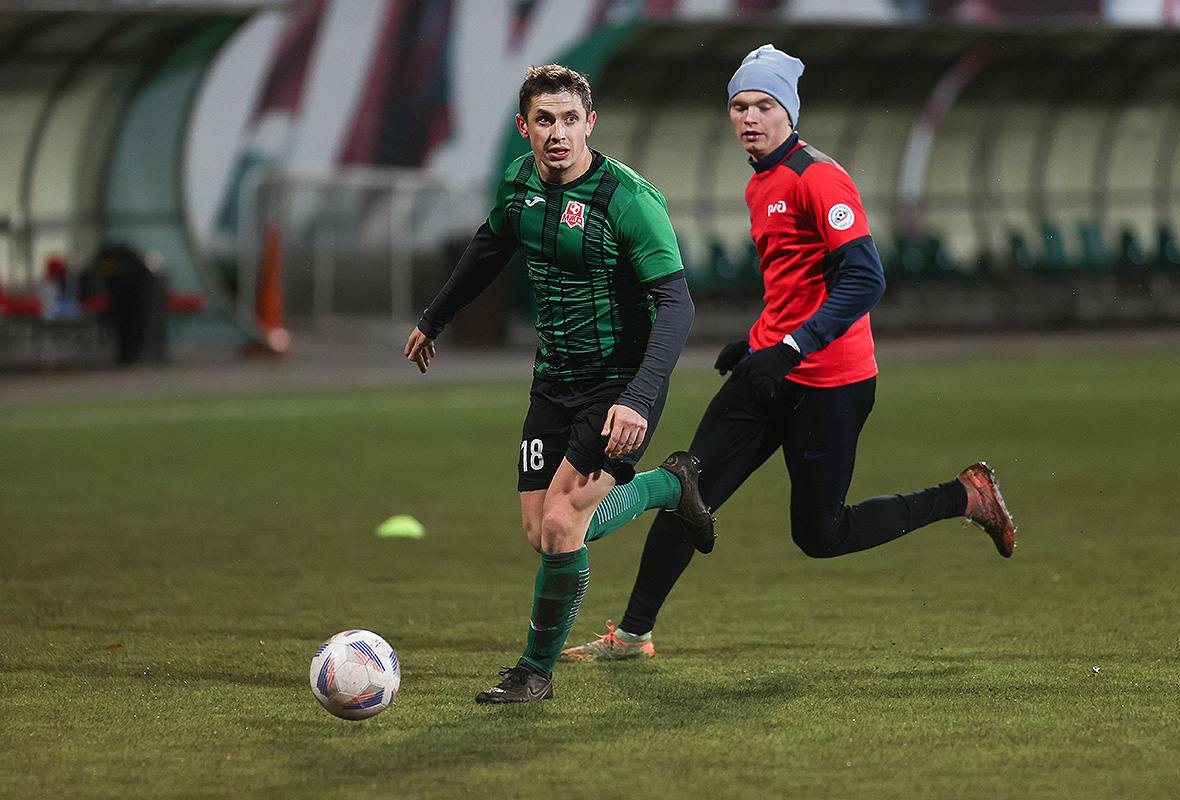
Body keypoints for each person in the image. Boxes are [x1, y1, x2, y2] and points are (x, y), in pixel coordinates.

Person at [562, 44, 1016, 663]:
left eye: (764, 105)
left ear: (789, 112)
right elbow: (794, 285)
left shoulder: (817, 176)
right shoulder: (761, 181)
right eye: (739, 106)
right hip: (770, 370)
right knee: (685, 490)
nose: (749, 117)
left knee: (820, 535)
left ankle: (964, 496)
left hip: (832, 383)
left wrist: (792, 347)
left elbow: (865, 278)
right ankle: (632, 636)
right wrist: (755, 344)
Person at [404, 64, 714, 704]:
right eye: (544, 120)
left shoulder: (628, 199)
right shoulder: (520, 182)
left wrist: (638, 397)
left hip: (620, 384)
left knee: (562, 523)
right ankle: (669, 484)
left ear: (589, 124)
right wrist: (434, 318)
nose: (558, 133)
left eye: (570, 119)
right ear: (525, 128)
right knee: (538, 528)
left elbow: (677, 305)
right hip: (553, 380)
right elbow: (489, 244)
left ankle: (534, 672)